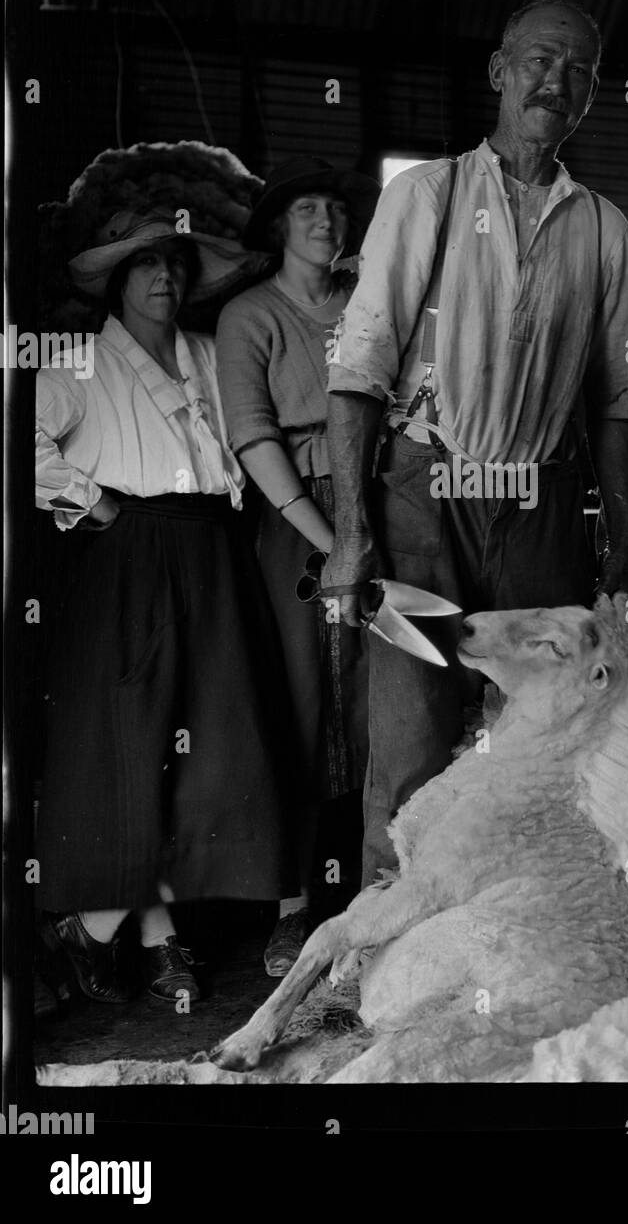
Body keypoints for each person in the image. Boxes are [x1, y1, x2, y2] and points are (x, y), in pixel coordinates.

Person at [323, 0, 628, 886]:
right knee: (411, 735)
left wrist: (623, 552)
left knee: (540, 735)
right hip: (422, 495)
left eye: (579, 69)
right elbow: (358, 371)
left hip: (539, 504)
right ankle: (386, 937)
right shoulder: (427, 194)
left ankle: (516, 926)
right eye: (540, 60)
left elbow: (620, 402)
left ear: (592, 92)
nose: (557, 81)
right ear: (499, 71)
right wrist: (352, 537)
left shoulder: (603, 226)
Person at [35, 209, 291, 1005]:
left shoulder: (210, 354)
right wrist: (93, 501)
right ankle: (148, 937)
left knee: (214, 746)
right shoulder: (80, 364)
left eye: (175, 264)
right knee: (134, 743)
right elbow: (17, 442)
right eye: (146, 263)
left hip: (216, 549)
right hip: (131, 553)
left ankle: (104, 928)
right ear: (117, 279)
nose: (164, 277)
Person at [216, 157, 380, 976]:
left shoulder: (367, 302)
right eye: (306, 208)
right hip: (297, 520)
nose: (324, 221)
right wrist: (331, 542)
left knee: (382, 704)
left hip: (380, 504)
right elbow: (252, 437)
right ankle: (292, 911)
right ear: (279, 226)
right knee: (301, 707)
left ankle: (374, 899)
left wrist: (369, 527)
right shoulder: (250, 315)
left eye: (335, 208)